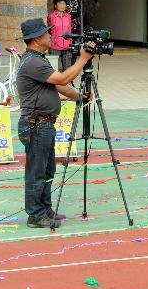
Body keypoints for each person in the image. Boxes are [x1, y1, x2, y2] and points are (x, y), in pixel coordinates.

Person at [16, 18, 94, 229]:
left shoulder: (37, 59)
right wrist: (83, 60)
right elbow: (61, 79)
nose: (50, 36)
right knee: (37, 172)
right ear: (36, 40)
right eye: (46, 34)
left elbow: (62, 87)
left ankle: (45, 209)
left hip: (43, 125)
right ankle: (35, 215)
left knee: (47, 170)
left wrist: (80, 96)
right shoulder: (33, 62)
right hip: (36, 125)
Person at [48, 0, 73, 71]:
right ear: (55, 5)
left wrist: (70, 42)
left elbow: (69, 29)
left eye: (64, 3)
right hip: (55, 45)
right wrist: (51, 39)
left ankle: (66, 82)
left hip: (67, 45)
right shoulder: (51, 16)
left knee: (67, 69)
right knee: (54, 69)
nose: (62, 5)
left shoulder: (68, 16)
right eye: (60, 3)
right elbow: (47, 30)